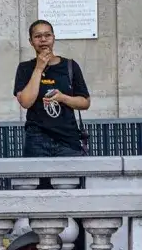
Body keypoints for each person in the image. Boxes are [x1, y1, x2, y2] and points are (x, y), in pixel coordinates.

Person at [14, 20, 91, 158]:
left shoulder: (70, 66)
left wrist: (63, 98)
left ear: (54, 38)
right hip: (37, 140)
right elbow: (26, 102)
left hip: (68, 140)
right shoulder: (25, 68)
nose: (43, 40)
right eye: (38, 36)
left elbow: (85, 102)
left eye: (47, 35)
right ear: (31, 41)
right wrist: (39, 68)